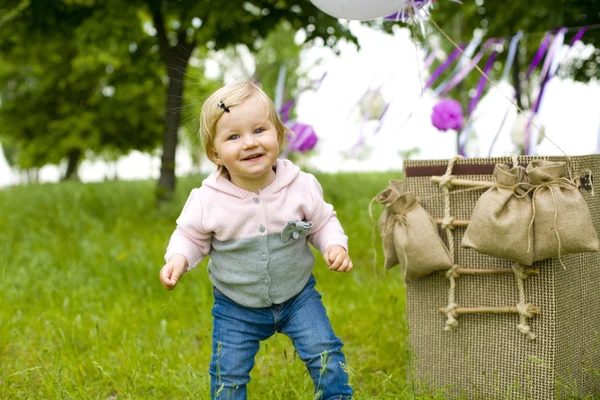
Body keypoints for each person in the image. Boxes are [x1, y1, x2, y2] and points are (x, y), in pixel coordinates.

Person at [159, 80, 354, 400]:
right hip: (236, 305)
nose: (249, 143)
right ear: (214, 152)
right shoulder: (208, 198)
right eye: (234, 136)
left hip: (298, 297)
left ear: (278, 135)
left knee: (326, 355)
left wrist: (334, 245)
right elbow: (190, 236)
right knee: (227, 374)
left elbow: (322, 222)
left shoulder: (300, 185)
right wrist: (177, 259)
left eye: (259, 130)